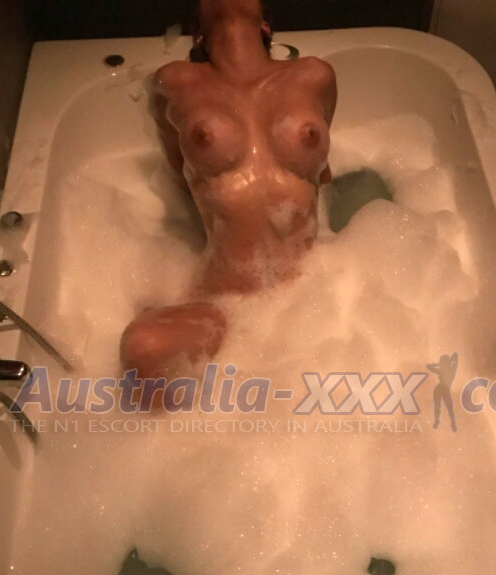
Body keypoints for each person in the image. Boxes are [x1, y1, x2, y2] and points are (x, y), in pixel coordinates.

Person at [120, 0, 337, 386]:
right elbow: (178, 174)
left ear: (265, 26)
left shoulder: (314, 75)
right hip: (226, 301)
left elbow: (323, 171)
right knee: (143, 348)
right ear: (198, 35)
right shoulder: (176, 82)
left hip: (317, 288)